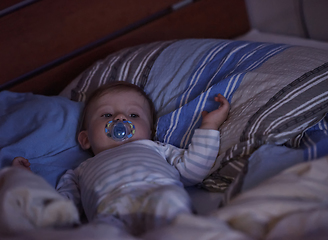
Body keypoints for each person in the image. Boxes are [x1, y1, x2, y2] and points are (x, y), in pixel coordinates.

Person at [12, 81, 230, 236]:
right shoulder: (79, 171)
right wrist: (26, 180)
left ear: (149, 132)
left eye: (133, 115)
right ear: (85, 139)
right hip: (110, 212)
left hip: (160, 198)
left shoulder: (155, 148)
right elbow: (62, 211)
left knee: (172, 204)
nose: (120, 118)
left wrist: (209, 126)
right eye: (106, 115)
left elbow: (194, 170)